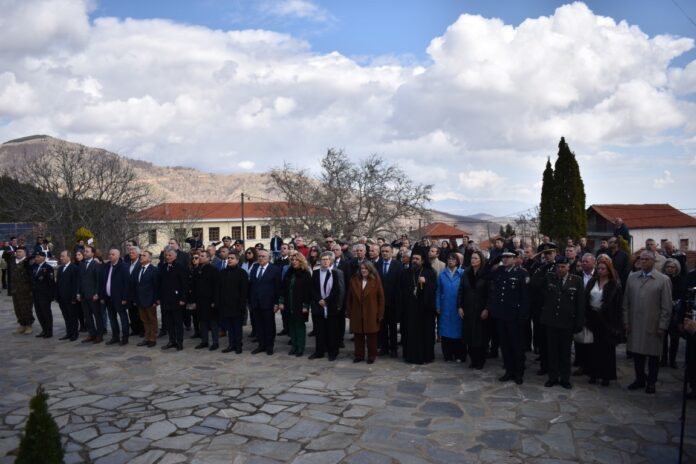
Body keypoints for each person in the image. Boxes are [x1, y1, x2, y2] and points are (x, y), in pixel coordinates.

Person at [623, 250, 673, 394]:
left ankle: (651, 382)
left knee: (653, 355)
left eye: (646, 259)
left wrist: (662, 326)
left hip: (653, 324)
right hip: (635, 323)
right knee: (637, 354)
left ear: (653, 261)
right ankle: (639, 379)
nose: (642, 261)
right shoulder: (632, 278)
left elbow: (666, 306)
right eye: (641, 259)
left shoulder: (663, 280)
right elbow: (626, 303)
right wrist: (626, 321)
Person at [541, 256, 585, 389]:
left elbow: (580, 304)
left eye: (563, 267)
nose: (560, 269)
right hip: (552, 322)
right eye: (558, 267)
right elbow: (537, 287)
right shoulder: (550, 277)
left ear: (568, 267)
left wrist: (579, 322)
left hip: (567, 322)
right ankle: (553, 377)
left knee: (565, 352)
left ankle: (565, 378)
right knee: (552, 351)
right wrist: (545, 266)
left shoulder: (576, 280)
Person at [489, 251, 529, 384]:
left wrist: (523, 315)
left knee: (517, 346)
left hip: (514, 316)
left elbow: (525, 297)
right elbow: (486, 272)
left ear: (515, 259)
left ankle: (519, 373)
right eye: (504, 257)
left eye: (508, 257)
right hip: (501, 315)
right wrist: (496, 259)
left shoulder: (521, 273)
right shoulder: (499, 271)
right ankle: (509, 371)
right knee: (505, 345)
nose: (505, 259)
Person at [585, 258, 623, 386]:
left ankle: (606, 375)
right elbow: (586, 297)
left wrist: (617, 324)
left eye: (603, 269)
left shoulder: (614, 285)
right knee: (593, 348)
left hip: (607, 319)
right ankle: (593, 374)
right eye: (599, 268)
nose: (600, 271)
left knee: (607, 348)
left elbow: (617, 306)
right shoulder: (592, 282)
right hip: (593, 317)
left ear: (608, 270)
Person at [399, 253, 437, 364]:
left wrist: (426, 283)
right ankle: (409, 356)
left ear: (423, 261)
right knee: (409, 333)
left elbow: (434, 289)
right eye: (413, 259)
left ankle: (425, 357)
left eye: (417, 259)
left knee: (424, 334)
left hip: (424, 310)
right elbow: (401, 291)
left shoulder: (430, 272)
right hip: (409, 309)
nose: (414, 261)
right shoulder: (405, 273)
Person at [309, 251, 345, 361]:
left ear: (331, 261)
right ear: (320, 261)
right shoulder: (316, 273)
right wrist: (319, 299)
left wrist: (327, 300)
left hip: (331, 305)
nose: (325, 261)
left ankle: (333, 352)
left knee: (332, 330)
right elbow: (312, 288)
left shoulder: (335, 273)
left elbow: (337, 290)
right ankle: (319, 351)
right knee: (319, 331)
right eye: (323, 259)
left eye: (327, 259)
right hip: (318, 305)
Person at [347, 261, 384, 363]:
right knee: (358, 335)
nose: (363, 270)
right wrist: (349, 311)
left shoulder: (375, 280)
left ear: (370, 270)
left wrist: (380, 313)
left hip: (371, 312)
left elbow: (381, 298)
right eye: (362, 268)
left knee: (372, 336)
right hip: (357, 312)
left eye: (366, 268)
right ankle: (359, 355)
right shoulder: (354, 280)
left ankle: (372, 355)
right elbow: (349, 297)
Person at [458, 250, 489, 369]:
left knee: (480, 336)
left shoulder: (485, 273)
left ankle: (480, 360)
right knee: (469, 335)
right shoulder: (466, 273)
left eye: (476, 258)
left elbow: (490, 293)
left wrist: (487, 309)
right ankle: (473, 359)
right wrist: (459, 306)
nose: (473, 260)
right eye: (472, 258)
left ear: (481, 260)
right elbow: (461, 291)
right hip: (468, 308)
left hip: (481, 310)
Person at [278, 252, 312, 357]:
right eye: (292, 260)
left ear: (301, 261)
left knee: (299, 326)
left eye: (296, 260)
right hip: (289, 303)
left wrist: (306, 306)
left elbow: (308, 291)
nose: (294, 262)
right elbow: (283, 288)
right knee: (291, 325)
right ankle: (294, 346)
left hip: (300, 304)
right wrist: (281, 301)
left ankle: (300, 347)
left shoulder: (306, 273)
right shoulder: (289, 272)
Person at [249, 249, 282, 355]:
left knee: (269, 325)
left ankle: (269, 346)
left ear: (268, 258)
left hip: (268, 302)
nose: (261, 258)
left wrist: (276, 303)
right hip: (255, 302)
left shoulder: (274, 269)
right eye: (259, 256)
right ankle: (261, 345)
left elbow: (278, 288)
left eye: (263, 256)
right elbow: (251, 285)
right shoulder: (254, 268)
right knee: (258, 325)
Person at [159, 246, 189, 351]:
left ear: (175, 256)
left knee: (178, 323)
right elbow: (161, 284)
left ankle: (179, 342)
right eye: (166, 255)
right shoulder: (163, 267)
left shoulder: (180, 267)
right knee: (169, 322)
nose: (168, 257)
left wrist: (183, 299)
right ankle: (171, 341)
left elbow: (184, 284)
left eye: (170, 255)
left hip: (177, 300)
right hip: (166, 300)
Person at [218, 252, 248, 354]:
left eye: (232, 258)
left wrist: (242, 305)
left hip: (237, 305)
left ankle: (238, 345)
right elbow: (219, 289)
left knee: (237, 327)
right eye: (228, 258)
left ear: (237, 260)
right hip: (225, 305)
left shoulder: (242, 273)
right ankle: (231, 344)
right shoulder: (222, 273)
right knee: (229, 327)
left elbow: (244, 291)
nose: (229, 260)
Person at [376, 243, 403, 358]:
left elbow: (400, 285)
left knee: (392, 327)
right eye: (383, 251)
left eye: (387, 251)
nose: (385, 253)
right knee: (382, 327)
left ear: (392, 252)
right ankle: (384, 348)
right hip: (380, 302)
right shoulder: (377, 264)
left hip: (393, 302)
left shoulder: (398, 265)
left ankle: (394, 349)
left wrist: (398, 302)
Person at [100, 248, 131, 345]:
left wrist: (125, 298)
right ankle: (115, 337)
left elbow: (127, 283)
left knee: (123, 318)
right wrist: (102, 296)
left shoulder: (123, 266)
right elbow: (103, 282)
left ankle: (125, 338)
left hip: (120, 298)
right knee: (112, 318)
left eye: (113, 254)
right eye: (109, 254)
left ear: (118, 255)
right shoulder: (106, 266)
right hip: (108, 298)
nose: (110, 256)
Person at [436, 253, 464, 361]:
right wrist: (438, 305)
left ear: (457, 261)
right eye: (449, 259)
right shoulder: (442, 275)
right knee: (446, 330)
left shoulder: (462, 274)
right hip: (446, 306)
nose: (450, 261)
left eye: (453, 259)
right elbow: (438, 291)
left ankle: (459, 354)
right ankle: (447, 355)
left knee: (458, 330)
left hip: (458, 306)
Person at [191, 251, 220, 351]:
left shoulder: (213, 270)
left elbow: (217, 287)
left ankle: (215, 342)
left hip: (210, 301)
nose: (200, 257)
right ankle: (204, 341)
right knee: (202, 321)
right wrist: (194, 300)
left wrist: (215, 301)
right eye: (199, 256)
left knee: (213, 322)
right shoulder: (196, 270)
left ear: (208, 258)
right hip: (200, 301)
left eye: (202, 256)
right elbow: (194, 286)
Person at [661, 258, 685, 368]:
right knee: (663, 337)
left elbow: (682, 296)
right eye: (668, 267)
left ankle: (672, 360)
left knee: (675, 338)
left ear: (676, 268)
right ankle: (663, 359)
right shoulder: (662, 279)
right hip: (663, 312)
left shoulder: (680, 280)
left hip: (675, 312)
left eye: (672, 267)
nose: (670, 269)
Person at [133, 251, 160, 348]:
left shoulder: (154, 270)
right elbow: (136, 285)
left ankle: (153, 338)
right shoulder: (138, 269)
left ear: (149, 259)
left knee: (152, 319)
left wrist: (155, 300)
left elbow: (156, 286)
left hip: (150, 300)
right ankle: (147, 337)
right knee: (144, 320)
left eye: (144, 256)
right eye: (141, 255)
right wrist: (136, 299)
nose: (141, 257)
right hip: (140, 300)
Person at [78, 245, 104, 343]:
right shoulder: (81, 264)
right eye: (84, 251)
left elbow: (98, 280)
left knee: (97, 316)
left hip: (93, 295)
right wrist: (78, 292)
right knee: (87, 316)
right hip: (84, 295)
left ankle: (99, 335)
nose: (85, 253)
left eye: (87, 251)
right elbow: (79, 280)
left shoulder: (96, 264)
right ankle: (91, 334)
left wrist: (97, 293)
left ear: (93, 253)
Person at [56, 250, 80, 341]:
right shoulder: (60, 269)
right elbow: (58, 283)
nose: (61, 258)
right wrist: (57, 296)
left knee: (72, 317)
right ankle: (68, 333)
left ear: (68, 257)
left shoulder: (74, 268)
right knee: (66, 316)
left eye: (63, 256)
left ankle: (74, 334)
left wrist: (74, 298)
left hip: (70, 298)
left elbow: (75, 284)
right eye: (61, 256)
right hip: (62, 298)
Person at [32, 251, 55, 338]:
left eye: (38, 257)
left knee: (46, 314)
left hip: (45, 295)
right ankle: (44, 330)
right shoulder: (35, 267)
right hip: (36, 295)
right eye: (36, 257)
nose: (36, 258)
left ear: (43, 258)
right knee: (39, 314)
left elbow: (51, 283)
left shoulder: (48, 268)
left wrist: (51, 296)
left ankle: (49, 332)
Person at [125, 246, 144, 338]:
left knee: (140, 313)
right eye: (130, 252)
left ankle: (142, 330)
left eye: (133, 252)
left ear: (138, 254)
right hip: (129, 293)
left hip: (138, 293)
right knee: (131, 313)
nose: (131, 254)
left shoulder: (141, 264)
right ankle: (134, 329)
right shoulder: (127, 264)